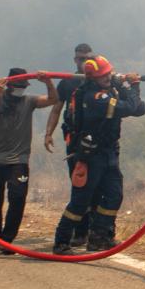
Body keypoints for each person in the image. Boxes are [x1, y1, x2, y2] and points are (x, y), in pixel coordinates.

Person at [52, 55, 145, 255]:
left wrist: (123, 85)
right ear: (93, 78)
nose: (108, 77)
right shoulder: (95, 98)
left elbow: (139, 109)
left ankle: (99, 237)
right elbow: (129, 106)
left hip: (110, 152)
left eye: (109, 73)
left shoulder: (108, 90)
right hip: (91, 155)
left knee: (114, 195)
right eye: (103, 75)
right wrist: (132, 86)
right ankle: (61, 242)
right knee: (81, 200)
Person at [0, 67, 57, 254]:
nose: (20, 89)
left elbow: (53, 100)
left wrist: (48, 82)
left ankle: (7, 240)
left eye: (23, 86)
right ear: (8, 84)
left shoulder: (28, 100)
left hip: (18, 160)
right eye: (17, 86)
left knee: (17, 198)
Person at [44, 42, 98, 247]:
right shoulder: (67, 83)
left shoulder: (101, 79)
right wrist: (48, 133)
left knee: (100, 188)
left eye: (87, 58)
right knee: (80, 186)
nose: (83, 62)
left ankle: (99, 233)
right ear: (74, 60)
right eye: (79, 58)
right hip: (75, 144)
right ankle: (80, 232)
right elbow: (57, 109)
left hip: (98, 144)